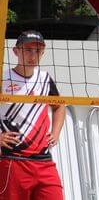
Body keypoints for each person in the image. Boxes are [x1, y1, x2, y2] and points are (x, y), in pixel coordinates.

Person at [0, 31, 65, 200]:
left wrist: (56, 132)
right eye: (28, 50)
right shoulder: (3, 78)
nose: (33, 55)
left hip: (44, 161)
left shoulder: (44, 78)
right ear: (16, 51)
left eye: (38, 51)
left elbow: (59, 107)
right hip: (13, 159)